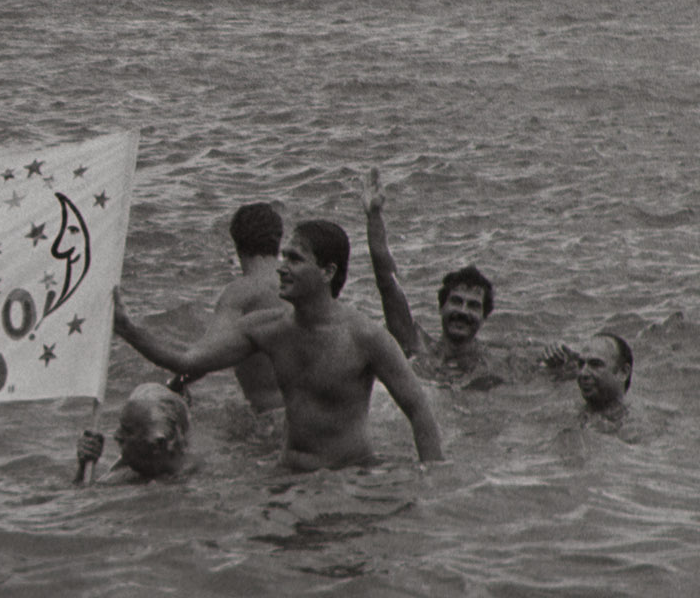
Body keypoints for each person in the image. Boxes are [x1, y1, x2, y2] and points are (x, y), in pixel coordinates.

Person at [114, 218, 444, 469]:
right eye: (283, 256)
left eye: (295, 260)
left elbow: (418, 410)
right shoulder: (268, 329)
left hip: (347, 477)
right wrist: (128, 329)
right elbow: (188, 362)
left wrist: (432, 480)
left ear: (328, 272)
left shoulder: (365, 337)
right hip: (286, 474)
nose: (281, 269)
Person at [364, 168, 499, 386]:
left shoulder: (494, 364)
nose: (463, 311)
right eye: (456, 301)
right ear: (441, 307)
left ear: (485, 317)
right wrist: (374, 216)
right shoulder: (416, 347)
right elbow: (387, 283)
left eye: (473, 305)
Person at [204, 200, 296, 418]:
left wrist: (177, 383)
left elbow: (209, 353)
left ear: (237, 245)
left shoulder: (241, 291)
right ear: (279, 239)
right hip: (315, 414)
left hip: (270, 419)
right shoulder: (302, 283)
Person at [75, 380, 193, 482]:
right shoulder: (127, 472)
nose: (116, 436)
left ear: (158, 444)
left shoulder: (192, 481)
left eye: (128, 431)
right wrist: (84, 467)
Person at [546, 331, 635, 419]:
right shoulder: (566, 412)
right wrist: (553, 368)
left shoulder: (636, 425)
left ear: (623, 372)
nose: (583, 373)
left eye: (595, 364)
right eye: (581, 364)